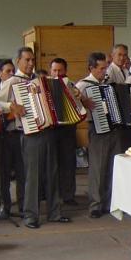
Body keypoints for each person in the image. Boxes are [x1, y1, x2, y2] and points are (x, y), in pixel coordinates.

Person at [0, 46, 70, 228]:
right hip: (30, 134)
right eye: (27, 60)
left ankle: (54, 212)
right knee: (33, 176)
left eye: (32, 60)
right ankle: (30, 215)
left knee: (52, 173)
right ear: (18, 61)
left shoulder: (39, 80)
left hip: (48, 130)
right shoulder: (13, 81)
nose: (30, 63)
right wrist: (11, 107)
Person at [75, 52, 121, 219]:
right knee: (98, 167)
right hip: (96, 128)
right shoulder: (82, 85)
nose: (104, 71)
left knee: (111, 166)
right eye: (101, 69)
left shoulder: (109, 84)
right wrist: (83, 102)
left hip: (114, 128)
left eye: (105, 68)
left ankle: (108, 203)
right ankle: (95, 204)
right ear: (91, 68)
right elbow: (73, 105)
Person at [0, 59, 25, 219]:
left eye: (13, 71)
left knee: (21, 171)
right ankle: (4, 206)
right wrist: (9, 110)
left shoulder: (18, 86)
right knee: (2, 173)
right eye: (7, 71)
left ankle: (23, 205)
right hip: (2, 135)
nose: (11, 74)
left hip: (18, 134)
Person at [49, 58, 79, 206]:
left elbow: (79, 108)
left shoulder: (71, 85)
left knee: (68, 163)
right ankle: (52, 195)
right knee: (52, 164)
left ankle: (68, 195)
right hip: (51, 129)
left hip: (68, 128)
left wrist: (77, 97)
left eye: (60, 70)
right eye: (54, 70)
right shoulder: (45, 86)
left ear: (65, 71)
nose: (57, 73)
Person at [105, 44, 131, 150]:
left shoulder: (126, 72)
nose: (122, 58)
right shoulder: (109, 71)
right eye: (119, 55)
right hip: (116, 118)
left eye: (125, 55)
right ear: (113, 55)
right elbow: (106, 91)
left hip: (127, 117)